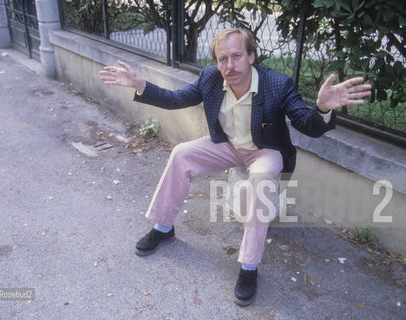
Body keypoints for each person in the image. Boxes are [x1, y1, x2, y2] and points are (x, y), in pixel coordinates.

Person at [99, 28, 371, 306]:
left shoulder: (278, 84)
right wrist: (139, 83)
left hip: (265, 150)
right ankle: (163, 226)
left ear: (251, 56)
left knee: (262, 177)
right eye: (222, 59)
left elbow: (306, 124)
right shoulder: (209, 77)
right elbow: (175, 99)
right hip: (227, 145)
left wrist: (323, 108)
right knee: (181, 153)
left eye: (237, 56)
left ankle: (249, 267)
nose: (229, 66)